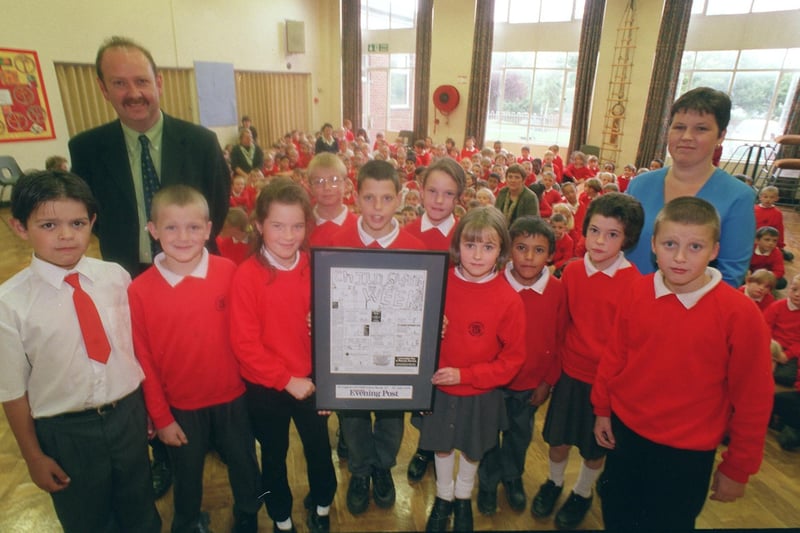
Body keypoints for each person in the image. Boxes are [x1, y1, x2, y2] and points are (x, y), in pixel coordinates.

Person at [592, 196, 773, 530]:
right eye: (670, 243)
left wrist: (738, 467)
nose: (678, 257)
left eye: (694, 247)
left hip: (687, 453)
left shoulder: (741, 315)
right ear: (653, 245)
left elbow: (754, 398)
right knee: (617, 512)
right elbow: (615, 355)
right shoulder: (637, 290)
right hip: (627, 435)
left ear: (714, 250)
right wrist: (602, 407)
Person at [0, 170, 161, 533]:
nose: (66, 235)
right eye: (48, 224)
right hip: (66, 433)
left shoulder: (115, 277)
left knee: (141, 511)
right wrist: (33, 456)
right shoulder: (9, 305)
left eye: (77, 222)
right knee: (88, 521)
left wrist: (147, 407)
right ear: (20, 228)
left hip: (127, 416)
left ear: (92, 223)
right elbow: (11, 391)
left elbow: (132, 349)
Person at [128, 185, 261, 533]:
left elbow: (252, 328)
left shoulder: (229, 271)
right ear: (153, 230)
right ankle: (186, 522)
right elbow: (143, 360)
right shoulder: (139, 290)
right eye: (171, 227)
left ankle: (249, 512)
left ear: (208, 229)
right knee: (186, 472)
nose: (183, 237)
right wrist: (160, 416)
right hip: (180, 405)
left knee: (245, 463)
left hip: (234, 396)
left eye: (193, 227)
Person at [69, 36, 229, 279]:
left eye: (142, 81)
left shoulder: (202, 143)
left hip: (194, 270)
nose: (134, 93)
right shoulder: (86, 149)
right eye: (120, 83)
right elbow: (91, 217)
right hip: (127, 274)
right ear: (104, 89)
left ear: (159, 83)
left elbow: (217, 207)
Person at [230, 178, 337, 533]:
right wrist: (285, 380)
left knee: (320, 450)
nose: (288, 235)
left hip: (311, 381)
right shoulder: (246, 276)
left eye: (297, 226)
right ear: (259, 226)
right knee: (273, 457)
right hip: (267, 388)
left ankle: (322, 507)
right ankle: (281, 517)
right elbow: (245, 345)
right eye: (277, 225)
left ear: (307, 226)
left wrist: (327, 382)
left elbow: (333, 328)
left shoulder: (316, 266)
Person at [534, 193, 644, 530]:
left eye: (612, 234)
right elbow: (561, 326)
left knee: (595, 448)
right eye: (594, 230)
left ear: (628, 239)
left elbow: (630, 346)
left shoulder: (635, 284)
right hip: (569, 374)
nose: (599, 241)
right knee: (558, 440)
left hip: (606, 383)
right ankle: (553, 483)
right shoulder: (573, 272)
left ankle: (582, 492)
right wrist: (550, 377)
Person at [418, 206, 526, 532]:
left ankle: (463, 496)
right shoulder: (439, 283)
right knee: (441, 445)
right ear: (457, 246)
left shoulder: (509, 299)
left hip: (481, 391)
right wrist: (430, 328)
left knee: (472, 449)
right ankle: (443, 496)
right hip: (440, 387)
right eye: (470, 245)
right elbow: (411, 329)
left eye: (488, 247)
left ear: (501, 251)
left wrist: (467, 375)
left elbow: (513, 361)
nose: (477, 255)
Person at [330, 160, 424, 516]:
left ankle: (382, 467)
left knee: (390, 416)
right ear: (356, 198)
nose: (378, 208)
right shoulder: (336, 245)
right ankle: (359, 470)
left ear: (400, 199)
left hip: (393, 356)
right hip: (350, 354)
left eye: (386, 198)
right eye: (370, 198)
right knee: (352, 419)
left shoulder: (415, 249)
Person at [477, 216, 566, 516]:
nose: (529, 257)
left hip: (530, 385)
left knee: (519, 436)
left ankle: (512, 478)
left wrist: (547, 382)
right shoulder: (493, 283)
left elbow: (560, 339)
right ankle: (487, 483)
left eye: (538, 250)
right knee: (488, 435)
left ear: (550, 255)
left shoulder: (557, 290)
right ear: (508, 250)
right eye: (521, 248)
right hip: (493, 381)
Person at [626, 86, 755, 288]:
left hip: (691, 310)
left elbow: (730, 274)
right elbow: (620, 247)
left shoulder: (738, 197)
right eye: (679, 127)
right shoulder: (639, 185)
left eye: (701, 129)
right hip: (630, 300)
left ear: (721, 135)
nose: (686, 136)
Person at [404, 158, 467, 482]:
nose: (439, 201)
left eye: (448, 194)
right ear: (420, 190)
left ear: (459, 199)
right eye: (433, 191)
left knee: (445, 396)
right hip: (416, 332)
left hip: (454, 331)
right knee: (422, 397)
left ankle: (440, 446)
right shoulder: (408, 233)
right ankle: (425, 447)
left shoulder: (466, 236)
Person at [307, 153, 358, 247]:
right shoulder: (302, 226)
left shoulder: (361, 227)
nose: (327, 187)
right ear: (310, 188)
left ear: (346, 185)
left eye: (334, 180)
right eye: (318, 182)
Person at [766, 274, 800, 388]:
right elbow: (765, 327)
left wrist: (787, 355)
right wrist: (772, 350)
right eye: (794, 289)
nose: (797, 294)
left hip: (791, 351)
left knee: (787, 378)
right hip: (771, 345)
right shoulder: (777, 306)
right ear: (789, 288)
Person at [755, 185, 793, 261]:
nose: (768, 200)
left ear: (776, 198)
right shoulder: (753, 209)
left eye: (771, 197)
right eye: (765, 197)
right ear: (760, 197)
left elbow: (779, 229)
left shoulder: (777, 213)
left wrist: (780, 245)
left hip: (769, 240)